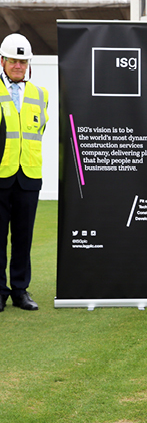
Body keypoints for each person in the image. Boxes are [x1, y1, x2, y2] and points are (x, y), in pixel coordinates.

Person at [0, 33, 49, 312]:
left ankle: (20, 291)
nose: (18, 66)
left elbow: (39, 129)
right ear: (3, 61)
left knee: (23, 237)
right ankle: (0, 291)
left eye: (23, 61)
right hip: (0, 175)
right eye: (13, 61)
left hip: (29, 176)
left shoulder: (41, 94)